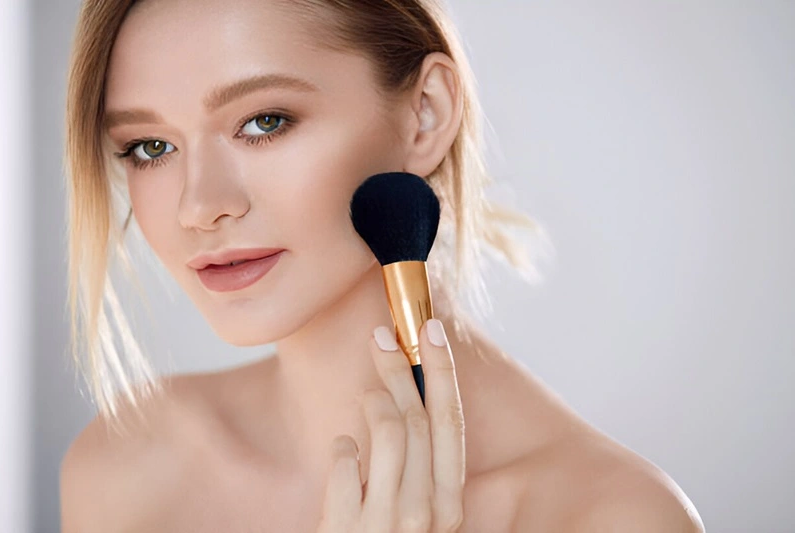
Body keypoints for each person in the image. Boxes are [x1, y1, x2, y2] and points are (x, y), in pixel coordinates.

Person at [59, 0, 704, 531]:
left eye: (264, 121)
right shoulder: (125, 469)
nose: (200, 206)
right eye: (150, 147)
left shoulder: (610, 517)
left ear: (425, 115)